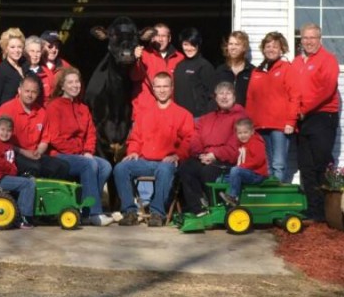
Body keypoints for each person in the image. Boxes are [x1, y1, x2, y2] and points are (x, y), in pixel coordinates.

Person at [114, 72, 195, 227]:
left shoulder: (183, 114)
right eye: (158, 86)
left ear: (172, 88)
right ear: (153, 89)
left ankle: (157, 213)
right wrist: (133, 151)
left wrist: (178, 156)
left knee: (165, 169)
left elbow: (189, 140)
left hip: (166, 163)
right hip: (144, 161)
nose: (162, 90)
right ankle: (129, 212)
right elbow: (135, 138)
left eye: (165, 86)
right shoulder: (144, 114)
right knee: (121, 168)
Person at [44, 66, 114, 226]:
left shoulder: (83, 108)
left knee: (105, 166)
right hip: (59, 155)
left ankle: (85, 209)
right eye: (70, 82)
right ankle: (94, 212)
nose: (75, 85)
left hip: (82, 154)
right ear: (62, 86)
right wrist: (80, 153)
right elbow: (55, 139)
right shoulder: (54, 107)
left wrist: (88, 150)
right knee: (88, 164)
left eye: (77, 82)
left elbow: (91, 133)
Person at [292, 23, 341, 221]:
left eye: (313, 38)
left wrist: (304, 109)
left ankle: (328, 210)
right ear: (300, 40)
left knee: (321, 163)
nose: (309, 41)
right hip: (302, 120)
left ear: (320, 39)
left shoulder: (328, 60)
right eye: (305, 38)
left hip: (322, 116)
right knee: (306, 165)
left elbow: (326, 89)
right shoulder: (296, 62)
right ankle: (313, 211)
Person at [177, 82, 246, 216]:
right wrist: (201, 154)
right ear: (215, 97)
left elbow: (235, 145)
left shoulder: (240, 117)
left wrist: (214, 154)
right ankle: (198, 207)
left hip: (227, 160)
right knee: (187, 167)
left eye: (228, 93)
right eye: (221, 93)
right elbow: (196, 136)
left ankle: (215, 207)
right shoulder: (206, 118)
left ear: (234, 97)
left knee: (207, 171)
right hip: (205, 156)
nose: (224, 97)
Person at [245, 31, 299, 184]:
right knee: (266, 165)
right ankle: (267, 198)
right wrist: (249, 124)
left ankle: (278, 197)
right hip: (260, 126)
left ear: (281, 49)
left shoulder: (287, 68)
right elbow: (250, 98)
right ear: (263, 49)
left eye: (275, 46)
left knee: (278, 165)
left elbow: (295, 96)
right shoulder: (257, 71)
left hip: (280, 126)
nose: (271, 49)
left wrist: (291, 121)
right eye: (268, 46)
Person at [0, 75, 70, 179]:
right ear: (19, 90)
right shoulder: (6, 110)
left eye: (33, 92)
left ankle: (49, 194)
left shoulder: (42, 112)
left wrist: (39, 152)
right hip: (13, 153)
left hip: (34, 154)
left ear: (38, 94)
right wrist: (24, 152)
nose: (30, 95)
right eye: (27, 91)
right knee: (34, 167)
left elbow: (45, 139)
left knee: (63, 167)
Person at [0, 116, 35, 229]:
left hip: (2, 175)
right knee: (28, 184)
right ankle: (24, 217)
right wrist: (13, 170)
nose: (5, 133)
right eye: (2, 129)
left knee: (28, 179)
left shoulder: (5, 143)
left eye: (9, 131)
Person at [130, 21, 186, 119]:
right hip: (144, 113)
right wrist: (135, 59)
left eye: (164, 36)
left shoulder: (180, 58)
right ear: (152, 38)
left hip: (170, 113)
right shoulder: (143, 54)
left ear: (169, 38)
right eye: (157, 35)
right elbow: (134, 76)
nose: (160, 39)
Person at [221, 117, 269, 206]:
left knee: (236, 170)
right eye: (240, 133)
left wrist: (242, 166)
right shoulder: (241, 144)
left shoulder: (256, 142)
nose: (242, 135)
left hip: (257, 174)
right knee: (220, 179)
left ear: (252, 132)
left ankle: (233, 197)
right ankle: (220, 202)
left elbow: (259, 160)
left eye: (245, 132)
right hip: (247, 172)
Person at [173, 27, 216, 118]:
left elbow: (212, 96)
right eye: (185, 44)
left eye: (193, 45)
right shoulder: (179, 66)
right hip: (179, 116)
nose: (189, 48)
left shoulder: (205, 66)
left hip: (198, 117)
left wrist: (206, 116)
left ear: (198, 45)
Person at [0, 27, 28, 115]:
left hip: (24, 116)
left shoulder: (26, 67)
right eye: (12, 47)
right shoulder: (0, 71)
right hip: (7, 117)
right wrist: (0, 120)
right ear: (6, 49)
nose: (16, 50)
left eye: (19, 47)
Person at [214, 30, 254, 106]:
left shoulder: (252, 72)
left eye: (237, 44)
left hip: (243, 116)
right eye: (230, 44)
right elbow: (213, 97)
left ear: (244, 48)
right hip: (224, 116)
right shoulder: (220, 71)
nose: (233, 47)